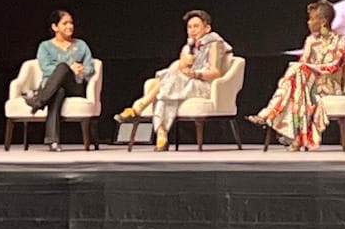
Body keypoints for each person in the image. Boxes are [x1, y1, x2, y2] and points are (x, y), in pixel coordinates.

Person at [113, 9, 232, 151]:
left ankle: (139, 106)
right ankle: (161, 135)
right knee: (166, 89)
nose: (192, 30)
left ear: (207, 28)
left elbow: (216, 73)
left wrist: (195, 73)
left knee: (168, 80)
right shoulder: (188, 47)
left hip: (204, 86)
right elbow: (180, 70)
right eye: (189, 27)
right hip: (182, 83)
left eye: (196, 26)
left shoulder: (214, 44)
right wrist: (184, 63)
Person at [247, 0, 345, 151]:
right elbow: (303, 61)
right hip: (305, 83)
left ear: (323, 21)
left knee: (298, 75)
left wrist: (311, 68)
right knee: (299, 83)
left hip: (327, 84)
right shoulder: (310, 40)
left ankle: (270, 113)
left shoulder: (340, 39)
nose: (308, 22)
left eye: (312, 19)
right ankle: (298, 138)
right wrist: (305, 67)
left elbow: (335, 65)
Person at [22, 9, 95, 151]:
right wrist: (70, 67)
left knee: (62, 67)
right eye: (65, 23)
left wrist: (80, 70)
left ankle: (38, 101)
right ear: (55, 27)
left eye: (71, 23)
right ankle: (53, 141)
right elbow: (45, 68)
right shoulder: (45, 46)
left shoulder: (81, 45)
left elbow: (90, 69)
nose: (70, 26)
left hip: (74, 85)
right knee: (58, 90)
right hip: (52, 86)